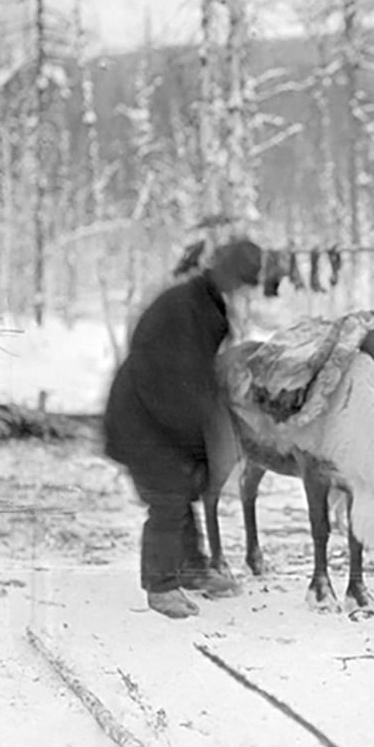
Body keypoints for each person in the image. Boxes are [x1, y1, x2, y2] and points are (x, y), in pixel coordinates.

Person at [103, 239, 262, 619]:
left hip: (160, 409)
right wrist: (193, 436)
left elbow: (194, 377)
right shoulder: (186, 306)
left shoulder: (204, 303)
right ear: (224, 270)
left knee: (185, 487)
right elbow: (172, 377)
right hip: (142, 414)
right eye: (239, 279)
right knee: (168, 498)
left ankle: (191, 568)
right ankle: (160, 587)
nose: (239, 289)